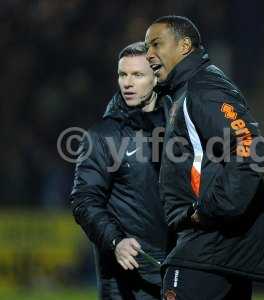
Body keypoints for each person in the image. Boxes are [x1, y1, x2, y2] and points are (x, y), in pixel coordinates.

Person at [145, 15, 264, 300]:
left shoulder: (203, 88)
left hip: (205, 249)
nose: (149, 54)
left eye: (156, 44)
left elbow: (251, 146)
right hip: (215, 250)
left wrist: (210, 210)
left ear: (185, 46)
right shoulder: (185, 92)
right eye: (146, 48)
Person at [70, 42, 168, 300]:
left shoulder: (179, 129)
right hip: (126, 276)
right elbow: (84, 199)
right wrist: (115, 241)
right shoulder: (102, 136)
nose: (127, 83)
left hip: (177, 271)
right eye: (123, 74)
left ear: (156, 78)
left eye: (137, 75)